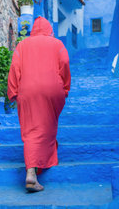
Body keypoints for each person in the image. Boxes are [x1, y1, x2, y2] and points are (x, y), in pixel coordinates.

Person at [7, 16, 71, 192]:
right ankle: (34, 173)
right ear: (49, 29)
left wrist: (13, 92)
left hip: (27, 91)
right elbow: (64, 63)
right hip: (52, 90)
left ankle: (31, 172)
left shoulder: (22, 45)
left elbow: (15, 68)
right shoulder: (57, 44)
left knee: (31, 131)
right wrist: (65, 87)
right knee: (46, 126)